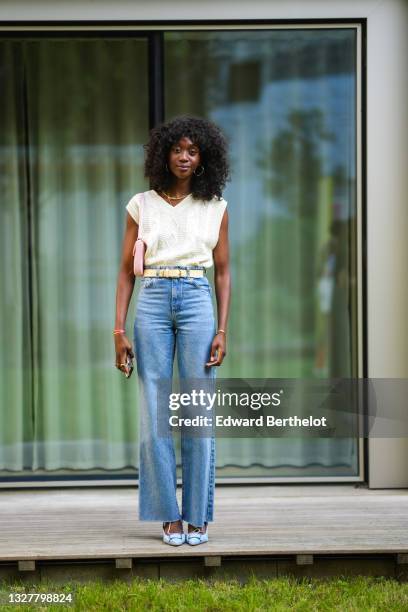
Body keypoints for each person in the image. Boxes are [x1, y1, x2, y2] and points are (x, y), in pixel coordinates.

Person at [113, 115, 231, 546]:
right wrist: (118, 330)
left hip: (198, 297)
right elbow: (126, 272)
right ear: (165, 153)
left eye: (193, 150)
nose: (184, 156)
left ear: (203, 159)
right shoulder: (140, 204)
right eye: (178, 149)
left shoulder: (215, 205)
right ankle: (169, 515)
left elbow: (223, 272)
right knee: (155, 410)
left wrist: (222, 328)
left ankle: (198, 514)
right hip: (154, 299)